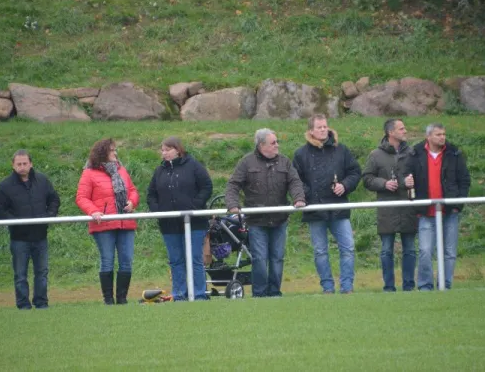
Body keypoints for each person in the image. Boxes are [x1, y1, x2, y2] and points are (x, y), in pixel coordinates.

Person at [226, 128, 306, 298]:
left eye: (277, 142)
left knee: (277, 259)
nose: (277, 145)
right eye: (273, 142)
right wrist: (233, 204)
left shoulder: (285, 162)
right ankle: (260, 295)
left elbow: (295, 182)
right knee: (260, 259)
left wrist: (298, 198)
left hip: (279, 221)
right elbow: (233, 185)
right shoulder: (246, 162)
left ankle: (275, 293)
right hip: (256, 222)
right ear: (262, 145)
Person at [293, 114, 361, 294]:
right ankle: (328, 288)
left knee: (348, 248)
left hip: (339, 207)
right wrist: (310, 196)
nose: (324, 129)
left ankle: (347, 287)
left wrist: (344, 186)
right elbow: (296, 180)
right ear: (310, 131)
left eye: (325, 126)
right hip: (315, 210)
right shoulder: (301, 154)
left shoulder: (342, 150)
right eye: (319, 127)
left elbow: (355, 172)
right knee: (320, 252)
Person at [405, 123, 470, 291]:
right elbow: (405, 175)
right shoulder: (415, 153)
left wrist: (458, 204)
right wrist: (406, 182)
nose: (442, 137)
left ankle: (445, 285)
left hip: (449, 212)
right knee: (425, 251)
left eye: (444, 134)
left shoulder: (454, 153)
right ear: (428, 137)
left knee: (449, 253)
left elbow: (464, 180)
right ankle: (425, 286)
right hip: (426, 213)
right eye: (438, 134)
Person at [147, 137, 213, 301]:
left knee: (195, 259)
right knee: (176, 261)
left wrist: (194, 206)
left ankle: (199, 294)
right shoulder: (159, 171)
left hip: (194, 223)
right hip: (169, 224)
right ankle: (179, 294)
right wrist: (158, 211)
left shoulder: (194, 166)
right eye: (162, 150)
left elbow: (206, 186)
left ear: (177, 150)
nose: (164, 153)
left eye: (167, 149)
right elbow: (151, 194)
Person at [0, 150, 60, 309]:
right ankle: (23, 305)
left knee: (42, 272)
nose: (22, 167)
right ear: (13, 165)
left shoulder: (42, 180)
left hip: (40, 236)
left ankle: (41, 303)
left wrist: (49, 215)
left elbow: (54, 199)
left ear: (31, 164)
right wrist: (15, 222)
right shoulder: (5, 185)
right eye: (19, 164)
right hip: (19, 238)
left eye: (25, 163)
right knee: (20, 275)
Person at [76, 139, 139, 305]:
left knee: (126, 260)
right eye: (112, 150)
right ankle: (108, 300)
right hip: (103, 224)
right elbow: (81, 197)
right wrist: (93, 211)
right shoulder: (89, 173)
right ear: (103, 153)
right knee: (107, 260)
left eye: (115, 150)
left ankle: (122, 299)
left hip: (125, 222)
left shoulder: (122, 170)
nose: (115, 153)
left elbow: (132, 190)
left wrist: (132, 202)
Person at [363, 119, 417, 292]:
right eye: (401, 128)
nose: (405, 131)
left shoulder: (413, 153)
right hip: (387, 210)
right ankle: (389, 287)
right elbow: (367, 179)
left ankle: (409, 286)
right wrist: (383, 184)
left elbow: (421, 175)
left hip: (408, 208)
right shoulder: (375, 155)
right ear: (390, 132)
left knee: (409, 249)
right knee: (387, 250)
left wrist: (414, 180)